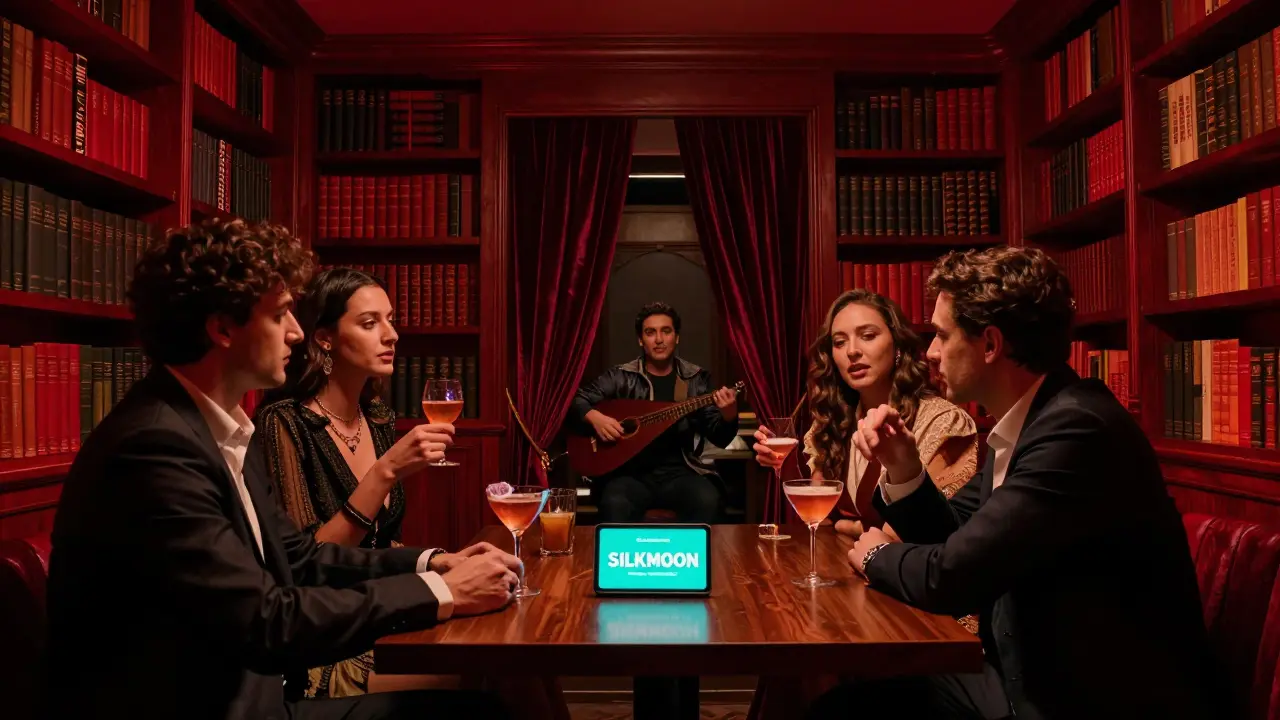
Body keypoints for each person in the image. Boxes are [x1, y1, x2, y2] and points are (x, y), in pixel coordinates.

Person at [44, 219, 519, 720]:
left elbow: (302, 557)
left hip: (255, 697)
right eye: (281, 314)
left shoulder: (222, 429)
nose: (296, 332)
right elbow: (265, 622)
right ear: (223, 328)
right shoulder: (154, 448)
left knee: (498, 691)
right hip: (222, 707)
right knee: (484, 707)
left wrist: (432, 564)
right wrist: (443, 593)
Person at [818, 246, 1218, 719]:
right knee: (846, 700)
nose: (929, 352)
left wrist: (877, 555)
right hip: (1022, 677)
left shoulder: (1077, 430)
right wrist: (905, 469)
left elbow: (954, 576)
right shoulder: (1032, 421)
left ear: (989, 344)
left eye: (943, 336)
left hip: (1081, 700)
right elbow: (956, 534)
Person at [752, 289, 977, 538]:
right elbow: (819, 519)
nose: (852, 351)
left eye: (868, 336)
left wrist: (849, 526)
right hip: (842, 567)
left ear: (898, 346)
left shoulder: (943, 422)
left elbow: (923, 530)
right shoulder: (833, 422)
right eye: (839, 342)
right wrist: (786, 465)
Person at [570, 302, 739, 523]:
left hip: (680, 474)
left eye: (666, 331)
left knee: (708, 500)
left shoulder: (695, 379)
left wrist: (729, 414)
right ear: (641, 340)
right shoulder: (620, 377)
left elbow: (720, 436)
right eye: (650, 332)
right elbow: (575, 400)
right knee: (614, 502)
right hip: (629, 476)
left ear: (676, 337)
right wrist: (596, 418)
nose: (658, 339)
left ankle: (687, 557)